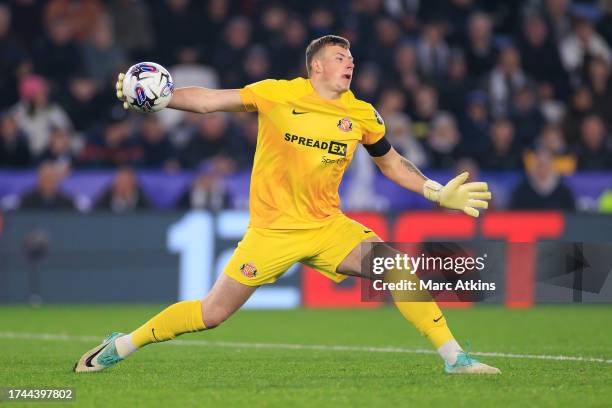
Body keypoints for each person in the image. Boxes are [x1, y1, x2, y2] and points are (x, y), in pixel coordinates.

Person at [74, 35, 498, 375]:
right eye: (339, 56)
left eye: (350, 57)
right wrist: (162, 97)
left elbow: (391, 163)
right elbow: (207, 101)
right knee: (212, 313)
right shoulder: (278, 94)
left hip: (327, 227)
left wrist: (435, 191)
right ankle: (123, 344)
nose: (349, 63)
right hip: (272, 232)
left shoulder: (363, 114)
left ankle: (454, 358)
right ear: (316, 65)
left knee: (396, 268)